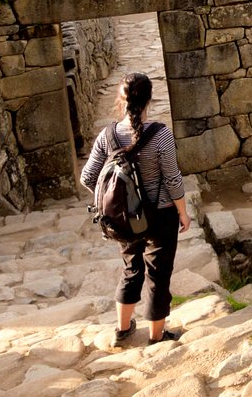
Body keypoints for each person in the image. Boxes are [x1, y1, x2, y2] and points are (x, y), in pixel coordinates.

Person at [79, 72, 186, 345]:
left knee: (131, 269)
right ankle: (156, 336)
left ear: (122, 99)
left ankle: (123, 330)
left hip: (123, 219)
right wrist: (183, 212)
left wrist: (114, 200)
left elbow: (87, 177)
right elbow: (172, 178)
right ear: (149, 99)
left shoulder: (108, 135)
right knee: (158, 275)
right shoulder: (160, 135)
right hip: (160, 215)